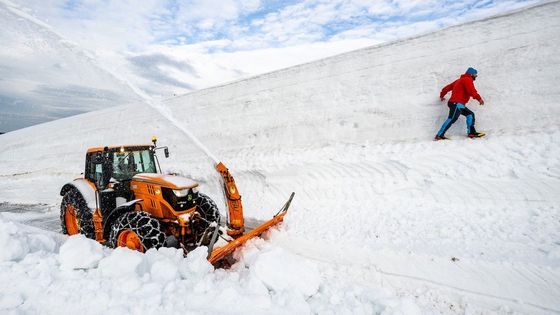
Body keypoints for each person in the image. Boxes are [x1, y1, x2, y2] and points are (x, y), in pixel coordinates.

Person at [435, 67, 485, 140]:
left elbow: (446, 88)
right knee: (452, 118)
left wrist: (442, 95)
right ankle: (439, 135)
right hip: (456, 103)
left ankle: (471, 132)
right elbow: (471, 91)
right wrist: (479, 99)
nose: (476, 76)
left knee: (470, 114)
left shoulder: (459, 80)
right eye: (475, 75)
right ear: (471, 74)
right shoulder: (467, 80)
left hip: (459, 104)